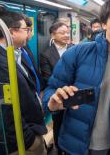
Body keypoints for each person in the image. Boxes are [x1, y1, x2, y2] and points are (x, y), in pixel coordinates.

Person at [42, 0, 110, 155]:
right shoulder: (78, 52)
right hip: (76, 144)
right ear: (104, 24)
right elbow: (51, 89)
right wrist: (51, 103)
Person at [0, 10, 47, 154]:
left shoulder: (16, 53)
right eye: (25, 29)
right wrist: (28, 139)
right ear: (11, 32)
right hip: (23, 141)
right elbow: (6, 109)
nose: (28, 34)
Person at [40, 21, 73, 155]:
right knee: (58, 123)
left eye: (67, 32)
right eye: (62, 32)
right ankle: (59, 148)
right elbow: (48, 78)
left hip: (75, 93)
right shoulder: (46, 54)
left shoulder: (75, 48)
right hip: (57, 94)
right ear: (53, 35)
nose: (66, 35)